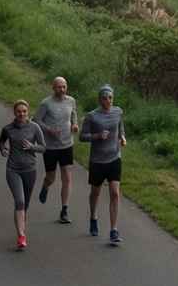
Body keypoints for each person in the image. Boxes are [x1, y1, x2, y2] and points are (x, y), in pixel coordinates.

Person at [79, 83, 126, 245]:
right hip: (97, 161)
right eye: (105, 98)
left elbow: (120, 128)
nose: (108, 100)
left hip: (114, 157)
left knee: (114, 193)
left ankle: (113, 230)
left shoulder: (118, 111)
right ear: (100, 99)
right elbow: (82, 137)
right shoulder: (92, 116)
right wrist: (98, 136)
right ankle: (93, 217)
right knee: (96, 192)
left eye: (110, 97)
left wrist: (122, 138)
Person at [0, 100, 46, 252]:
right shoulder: (8, 129)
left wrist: (32, 147)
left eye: (24, 111)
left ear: (28, 112)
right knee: (19, 201)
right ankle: (21, 236)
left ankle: (21, 226)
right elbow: (1, 142)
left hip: (30, 170)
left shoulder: (34, 127)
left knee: (25, 205)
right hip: (13, 169)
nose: (22, 114)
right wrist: (3, 149)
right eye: (19, 111)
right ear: (15, 113)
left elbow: (43, 147)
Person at [35, 75, 77, 226]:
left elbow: (73, 115)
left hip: (67, 144)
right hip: (51, 147)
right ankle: (45, 186)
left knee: (67, 177)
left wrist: (74, 125)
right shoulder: (46, 103)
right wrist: (49, 130)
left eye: (64, 86)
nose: (62, 89)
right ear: (53, 88)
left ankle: (64, 210)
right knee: (51, 177)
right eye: (59, 87)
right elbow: (36, 120)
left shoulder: (71, 101)